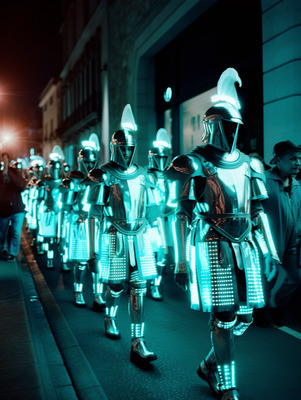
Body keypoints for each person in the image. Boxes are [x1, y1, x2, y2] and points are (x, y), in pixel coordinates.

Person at [166, 68, 279, 400]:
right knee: (224, 316)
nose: (232, 132)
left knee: (245, 316)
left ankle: (209, 363)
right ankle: (227, 384)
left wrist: (270, 251)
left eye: (235, 127)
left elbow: (258, 213)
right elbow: (182, 216)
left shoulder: (251, 164)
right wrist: (182, 262)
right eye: (226, 126)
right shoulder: (197, 163)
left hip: (246, 244)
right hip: (213, 244)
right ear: (213, 127)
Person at [87, 104, 160, 365]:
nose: (128, 152)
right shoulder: (103, 175)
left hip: (140, 236)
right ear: (115, 147)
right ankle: (109, 315)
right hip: (114, 235)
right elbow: (93, 215)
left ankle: (138, 341)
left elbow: (153, 212)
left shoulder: (144, 174)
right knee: (116, 286)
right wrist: (93, 252)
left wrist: (157, 243)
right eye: (124, 148)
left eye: (131, 148)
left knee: (140, 288)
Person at [253, 140, 301, 327]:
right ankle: (261, 311)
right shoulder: (264, 180)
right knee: (265, 278)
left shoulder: (297, 185)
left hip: (292, 243)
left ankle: (274, 305)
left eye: (299, 159)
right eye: (292, 159)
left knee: (296, 278)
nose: (297, 163)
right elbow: (254, 211)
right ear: (278, 161)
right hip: (268, 242)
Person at [147, 128, 174, 300]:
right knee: (148, 253)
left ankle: (155, 286)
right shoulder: (147, 177)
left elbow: (174, 198)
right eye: (158, 158)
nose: (161, 161)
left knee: (162, 258)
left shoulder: (171, 176)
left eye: (164, 158)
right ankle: (142, 283)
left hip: (167, 220)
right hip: (150, 221)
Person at [0, 152, 27, 262]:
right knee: (3, 232)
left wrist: (9, 172)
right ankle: (3, 248)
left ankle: (13, 253)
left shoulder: (15, 172)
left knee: (16, 232)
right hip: (3, 208)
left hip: (17, 208)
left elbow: (22, 186)